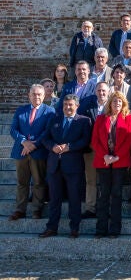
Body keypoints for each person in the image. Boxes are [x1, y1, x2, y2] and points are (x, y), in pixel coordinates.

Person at [39, 94, 92, 238]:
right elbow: (45, 138)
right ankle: (51, 228)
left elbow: (85, 140)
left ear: (77, 106)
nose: (67, 107)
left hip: (73, 166)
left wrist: (70, 147)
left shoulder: (84, 121)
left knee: (74, 198)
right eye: (65, 105)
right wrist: (53, 146)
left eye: (70, 105)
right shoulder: (54, 119)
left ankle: (74, 228)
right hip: (54, 165)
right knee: (54, 198)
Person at [8, 84, 56, 221]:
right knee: (22, 182)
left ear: (44, 95)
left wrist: (33, 145)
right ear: (29, 95)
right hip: (21, 151)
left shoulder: (50, 111)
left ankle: (36, 209)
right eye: (34, 94)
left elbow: (47, 132)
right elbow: (13, 129)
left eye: (39, 94)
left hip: (38, 152)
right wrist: (24, 142)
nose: (37, 97)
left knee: (39, 182)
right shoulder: (20, 110)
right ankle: (20, 210)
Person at [91, 91, 131, 238]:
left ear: (123, 104)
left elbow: (129, 140)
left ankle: (115, 229)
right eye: (115, 101)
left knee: (116, 194)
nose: (117, 104)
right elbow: (94, 140)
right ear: (110, 103)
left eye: (120, 102)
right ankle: (100, 229)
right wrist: (105, 155)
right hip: (103, 161)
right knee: (103, 196)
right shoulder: (101, 118)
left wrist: (116, 157)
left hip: (119, 162)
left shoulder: (128, 118)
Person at [77, 81, 110, 219]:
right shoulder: (87, 106)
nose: (101, 93)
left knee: (106, 181)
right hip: (91, 149)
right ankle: (90, 207)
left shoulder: (113, 106)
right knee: (90, 179)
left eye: (104, 91)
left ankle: (105, 208)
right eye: (99, 91)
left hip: (108, 150)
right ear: (95, 92)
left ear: (108, 92)